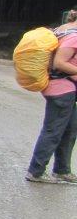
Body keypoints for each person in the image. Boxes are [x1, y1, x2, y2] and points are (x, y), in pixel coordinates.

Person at [25, 11, 77, 184]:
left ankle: (62, 170)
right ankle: (36, 171)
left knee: (69, 130)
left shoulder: (63, 30)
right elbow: (59, 63)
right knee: (53, 131)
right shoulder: (74, 37)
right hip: (62, 90)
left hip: (62, 88)